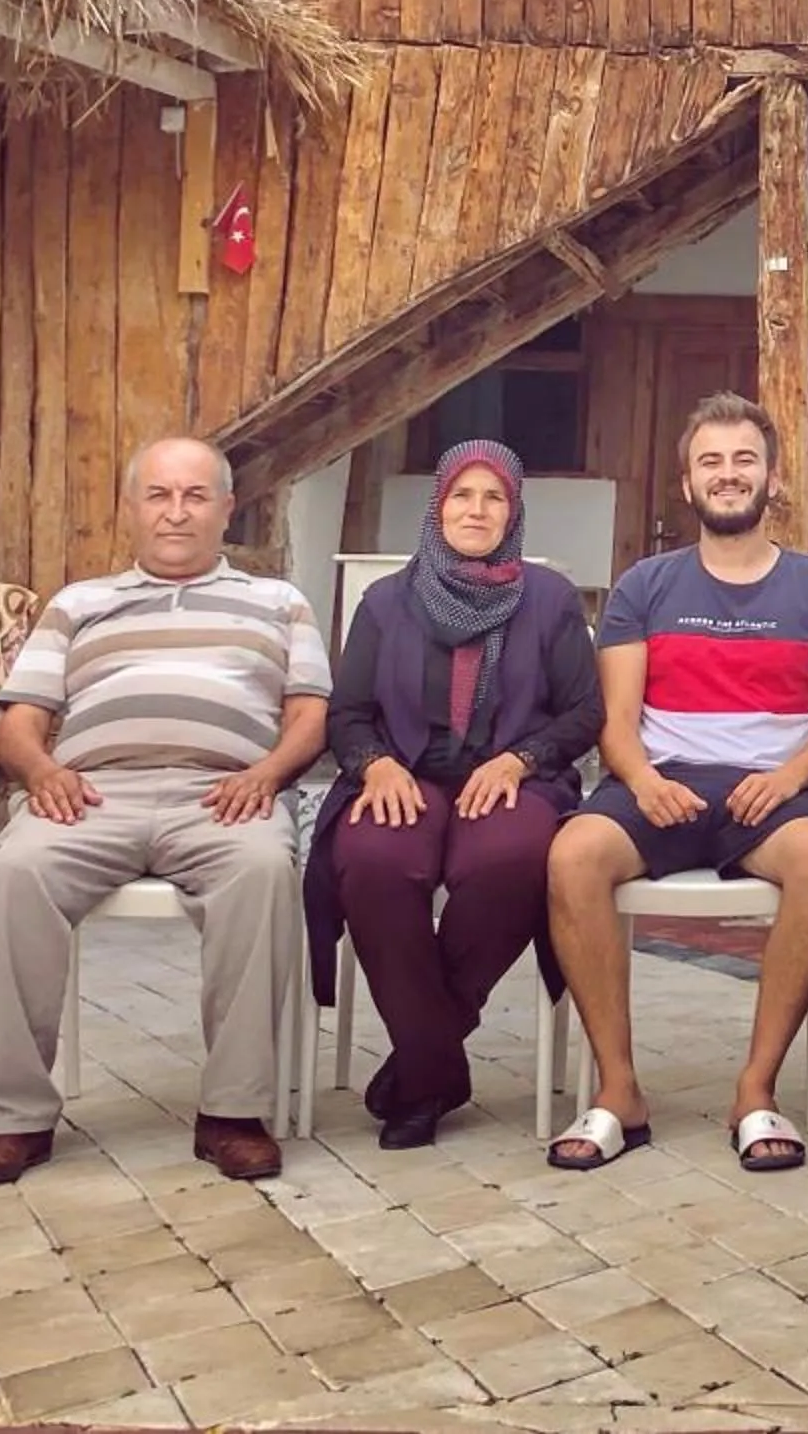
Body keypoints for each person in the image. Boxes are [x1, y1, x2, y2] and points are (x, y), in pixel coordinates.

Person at [0, 437, 328, 1187]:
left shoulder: (278, 602)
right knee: (14, 874)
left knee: (262, 874)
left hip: (226, 796)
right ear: (130, 509)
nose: (176, 512)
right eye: (159, 495)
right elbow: (18, 722)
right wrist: (41, 769)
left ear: (227, 509)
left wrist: (269, 771)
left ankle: (233, 1112)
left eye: (195, 496)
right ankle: (11, 1117)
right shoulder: (79, 604)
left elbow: (311, 713)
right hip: (91, 794)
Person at [544, 393, 808, 1173]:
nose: (729, 476)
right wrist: (644, 781)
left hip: (774, 795)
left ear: (772, 479)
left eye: (744, 460)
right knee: (573, 856)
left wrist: (788, 778)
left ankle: (756, 1091)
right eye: (711, 462)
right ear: (686, 485)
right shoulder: (645, 585)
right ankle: (620, 1091)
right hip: (664, 784)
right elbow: (616, 721)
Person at [307, 439, 604, 1149]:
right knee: (375, 859)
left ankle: (417, 1068)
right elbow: (346, 714)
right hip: (403, 773)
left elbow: (585, 711)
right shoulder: (385, 602)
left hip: (511, 777)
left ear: (514, 510)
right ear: (438, 507)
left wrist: (522, 759)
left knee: (515, 858)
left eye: (493, 496)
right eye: (462, 495)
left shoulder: (549, 598)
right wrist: (375, 765)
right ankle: (437, 1065)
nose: (477, 509)